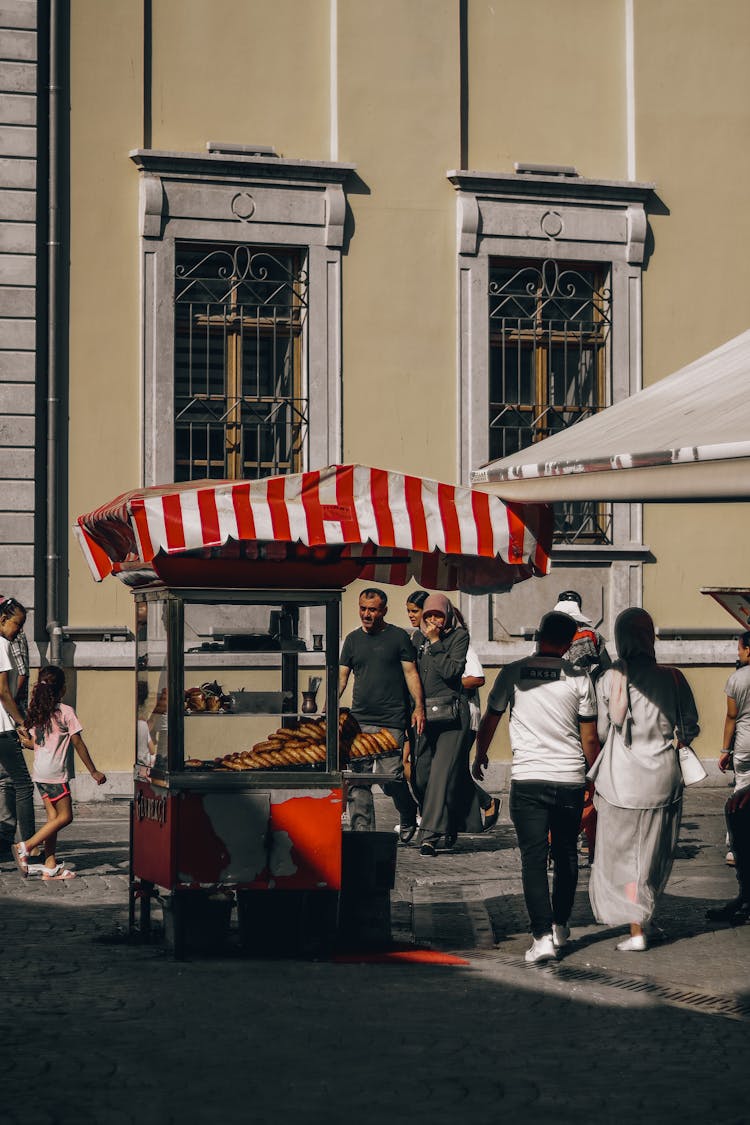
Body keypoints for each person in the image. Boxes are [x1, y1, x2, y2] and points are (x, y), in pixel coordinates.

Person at [473, 612, 599, 963]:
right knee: (566, 854)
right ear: (569, 642)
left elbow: (491, 718)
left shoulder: (513, 673)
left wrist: (480, 753)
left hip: (529, 779)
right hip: (570, 778)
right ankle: (559, 924)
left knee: (533, 859)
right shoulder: (579, 678)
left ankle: (541, 937)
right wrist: (597, 773)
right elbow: (589, 737)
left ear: (539, 635)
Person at [588, 607, 699, 951]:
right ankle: (644, 919)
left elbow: (603, 732)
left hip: (621, 781)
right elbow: (691, 726)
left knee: (622, 856)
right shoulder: (674, 677)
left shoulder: (608, 679)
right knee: (652, 853)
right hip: (663, 779)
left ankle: (636, 929)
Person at [339, 588, 424, 839]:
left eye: (372, 609)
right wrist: (329, 704)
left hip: (391, 720)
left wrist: (419, 707)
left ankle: (408, 813)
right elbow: (342, 676)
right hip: (360, 720)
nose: (366, 614)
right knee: (359, 779)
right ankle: (362, 834)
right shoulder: (352, 640)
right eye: (363, 608)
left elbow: (411, 674)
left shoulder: (398, 637)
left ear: (383, 611)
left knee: (392, 777)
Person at [12, 665, 106, 879]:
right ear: (62, 689)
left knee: (53, 817)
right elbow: (79, 744)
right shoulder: (66, 712)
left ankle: (50, 865)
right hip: (55, 774)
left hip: (39, 773)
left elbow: (34, 744)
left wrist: (26, 741)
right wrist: (93, 771)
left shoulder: (37, 713)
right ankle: (25, 847)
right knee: (65, 816)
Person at [552, 590, 611, 864]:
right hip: (589, 712)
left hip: (558, 715)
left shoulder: (548, 634)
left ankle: (556, 844)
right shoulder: (592, 635)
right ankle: (592, 846)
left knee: (561, 784)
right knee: (589, 782)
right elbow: (608, 667)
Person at [412, 594, 471, 856]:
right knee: (421, 776)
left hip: (452, 715)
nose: (433, 621)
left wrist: (435, 642)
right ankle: (450, 822)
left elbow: (451, 672)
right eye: (429, 616)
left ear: (447, 616)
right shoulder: (416, 639)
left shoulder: (459, 638)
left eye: (438, 616)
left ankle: (429, 836)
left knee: (439, 776)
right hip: (423, 716)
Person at [706, 631, 750, 924]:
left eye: (740, 648)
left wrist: (724, 749)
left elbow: (732, 717)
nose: (739, 653)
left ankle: (738, 852)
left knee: (740, 805)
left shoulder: (738, 679)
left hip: (746, 748)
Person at [0, 597, 34, 861]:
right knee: (23, 786)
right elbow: (3, 691)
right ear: (3, 620)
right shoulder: (1, 644)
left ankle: (4, 844)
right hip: (2, 727)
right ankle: (29, 847)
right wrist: (22, 722)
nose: (19, 630)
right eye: (18, 624)